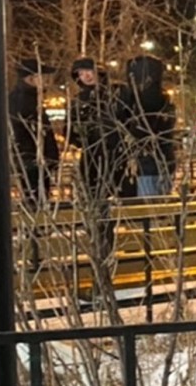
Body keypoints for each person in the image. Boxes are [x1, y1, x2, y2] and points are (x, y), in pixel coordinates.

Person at [68, 56, 126, 275]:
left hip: (115, 157)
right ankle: (101, 251)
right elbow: (71, 132)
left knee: (114, 205)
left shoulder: (116, 94)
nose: (86, 76)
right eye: (81, 73)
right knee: (96, 208)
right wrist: (82, 135)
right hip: (92, 159)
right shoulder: (78, 101)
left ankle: (111, 251)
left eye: (88, 71)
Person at [118, 55, 176, 197]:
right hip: (158, 162)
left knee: (148, 204)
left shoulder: (147, 99)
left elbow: (140, 131)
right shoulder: (161, 99)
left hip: (147, 164)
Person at [8, 58, 60, 210]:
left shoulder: (25, 98)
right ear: (31, 78)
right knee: (36, 200)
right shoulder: (24, 101)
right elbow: (29, 132)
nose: (46, 81)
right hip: (33, 160)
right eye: (42, 76)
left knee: (36, 199)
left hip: (33, 158)